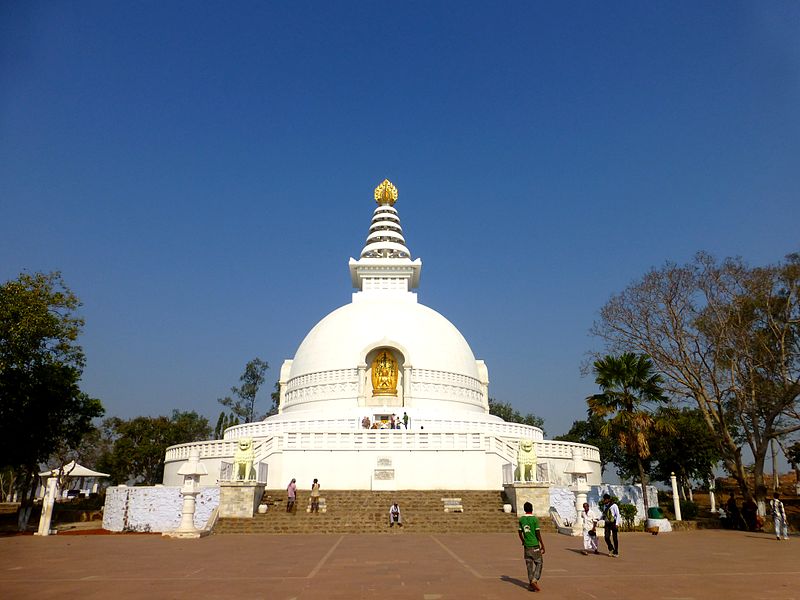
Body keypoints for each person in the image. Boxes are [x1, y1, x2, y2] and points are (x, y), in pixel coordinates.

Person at [518, 501, 545, 591]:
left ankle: (531, 584)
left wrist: (523, 540)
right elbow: (537, 533)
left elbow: (519, 532)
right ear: (532, 509)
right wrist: (542, 544)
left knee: (529, 565)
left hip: (527, 546)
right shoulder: (534, 519)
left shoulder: (521, 519)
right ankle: (535, 579)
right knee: (539, 562)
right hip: (534, 545)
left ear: (524, 509)